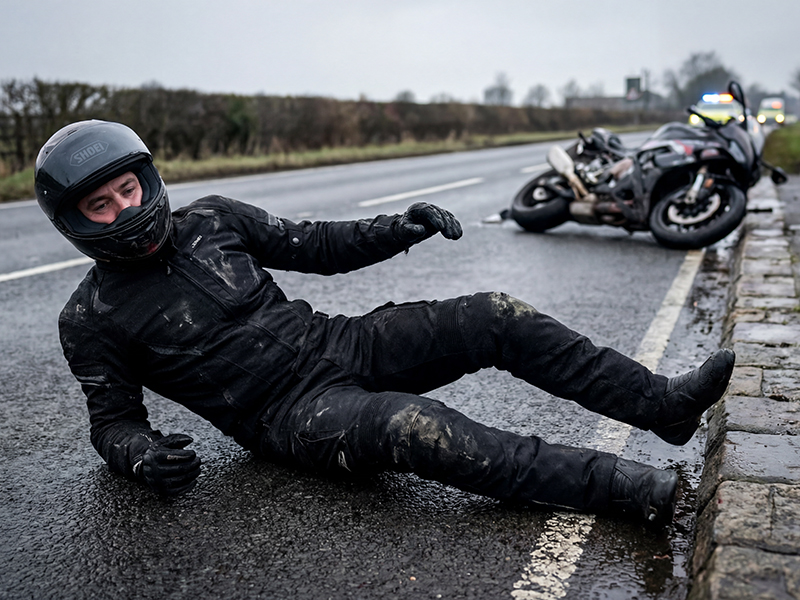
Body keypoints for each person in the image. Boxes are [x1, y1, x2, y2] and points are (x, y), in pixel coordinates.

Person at [35, 120, 735, 530]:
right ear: (74, 222)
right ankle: (618, 488)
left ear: (149, 181)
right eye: (101, 205)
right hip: (291, 415)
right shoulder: (90, 318)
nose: (124, 211)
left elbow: (319, 244)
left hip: (340, 342)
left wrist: (402, 226)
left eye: (129, 189)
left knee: (493, 314)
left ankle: (663, 406)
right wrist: (140, 455)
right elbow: (112, 422)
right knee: (414, 427)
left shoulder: (213, 218)